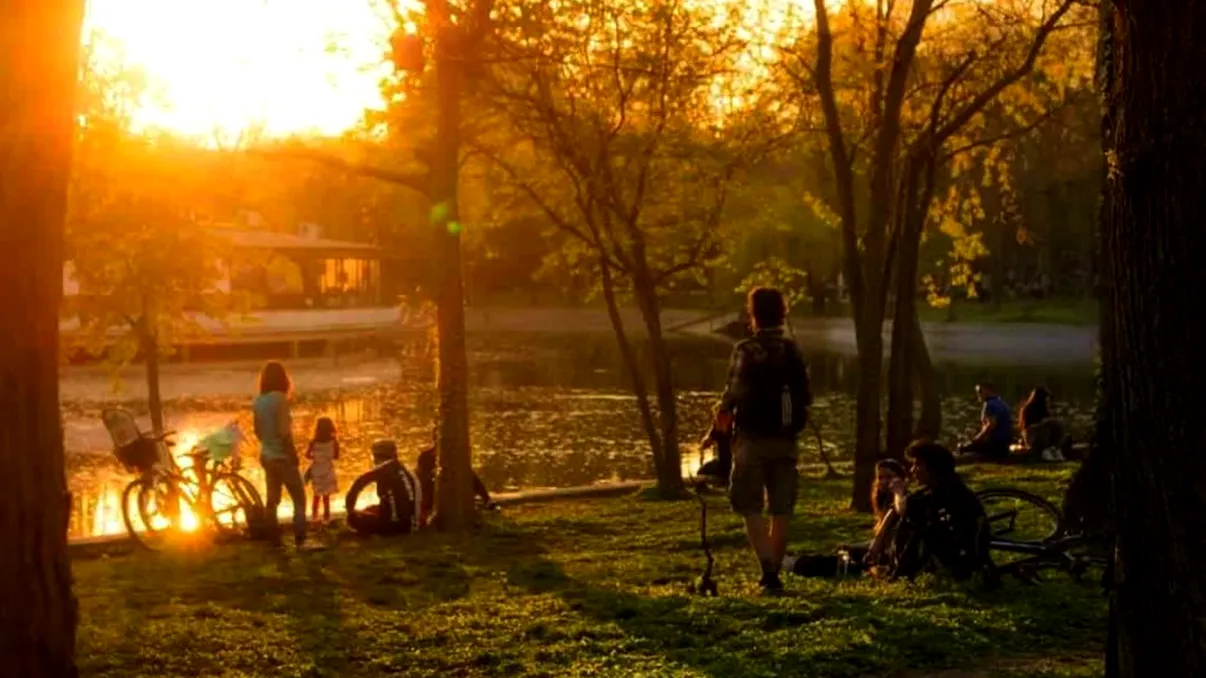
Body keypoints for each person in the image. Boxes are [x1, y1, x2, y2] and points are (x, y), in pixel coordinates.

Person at [715, 286, 812, 596]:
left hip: (751, 439)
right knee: (781, 508)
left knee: (750, 505)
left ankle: (768, 571)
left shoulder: (746, 350)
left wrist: (717, 428)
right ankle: (775, 570)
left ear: (752, 314)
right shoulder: (792, 349)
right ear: (782, 312)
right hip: (786, 439)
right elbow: (807, 394)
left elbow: (732, 394)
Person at [782, 459, 909, 579]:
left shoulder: (903, 501)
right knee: (843, 551)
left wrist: (871, 547)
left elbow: (886, 539)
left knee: (834, 563)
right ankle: (795, 560)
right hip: (880, 552)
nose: (884, 481)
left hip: (889, 557)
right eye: (880, 477)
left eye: (889, 477)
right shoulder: (885, 501)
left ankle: (795, 564)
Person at [894, 441, 997, 583]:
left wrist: (898, 492)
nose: (912, 470)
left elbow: (905, 509)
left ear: (932, 468)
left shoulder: (944, 492)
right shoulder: (948, 486)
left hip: (959, 558)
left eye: (917, 465)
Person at [252, 361, 306, 547]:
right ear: (283, 379)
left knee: (272, 500)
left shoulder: (259, 400)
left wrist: (268, 444)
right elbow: (284, 433)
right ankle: (300, 538)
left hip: (267, 456)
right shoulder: (280, 399)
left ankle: (273, 539)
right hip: (283, 457)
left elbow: (257, 432)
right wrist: (292, 454)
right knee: (299, 498)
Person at [415, 438, 497, 528]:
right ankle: (486, 500)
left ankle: (486, 500)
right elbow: (422, 481)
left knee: (467, 472)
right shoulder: (425, 457)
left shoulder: (455, 458)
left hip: (451, 494)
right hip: (431, 495)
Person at [958, 382, 1014, 460]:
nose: (978, 394)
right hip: (1004, 445)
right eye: (977, 392)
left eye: (980, 391)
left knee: (962, 448)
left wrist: (977, 439)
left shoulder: (989, 404)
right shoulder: (1002, 403)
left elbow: (991, 426)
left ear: (988, 391)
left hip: (994, 445)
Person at [304, 417, 340, 523]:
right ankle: (326, 517)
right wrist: (326, 456)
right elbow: (336, 457)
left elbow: (307, 455)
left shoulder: (313, 442)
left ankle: (314, 516)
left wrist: (316, 457)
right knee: (326, 496)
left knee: (316, 495)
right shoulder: (334, 442)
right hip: (328, 469)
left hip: (316, 469)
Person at [1019, 387, 1070, 461]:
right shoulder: (1028, 409)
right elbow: (1027, 427)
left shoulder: (1043, 408)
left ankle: (1055, 448)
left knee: (1057, 425)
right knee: (1045, 427)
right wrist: (1042, 424)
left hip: (1044, 432)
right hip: (1031, 435)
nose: (1047, 400)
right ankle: (1045, 450)